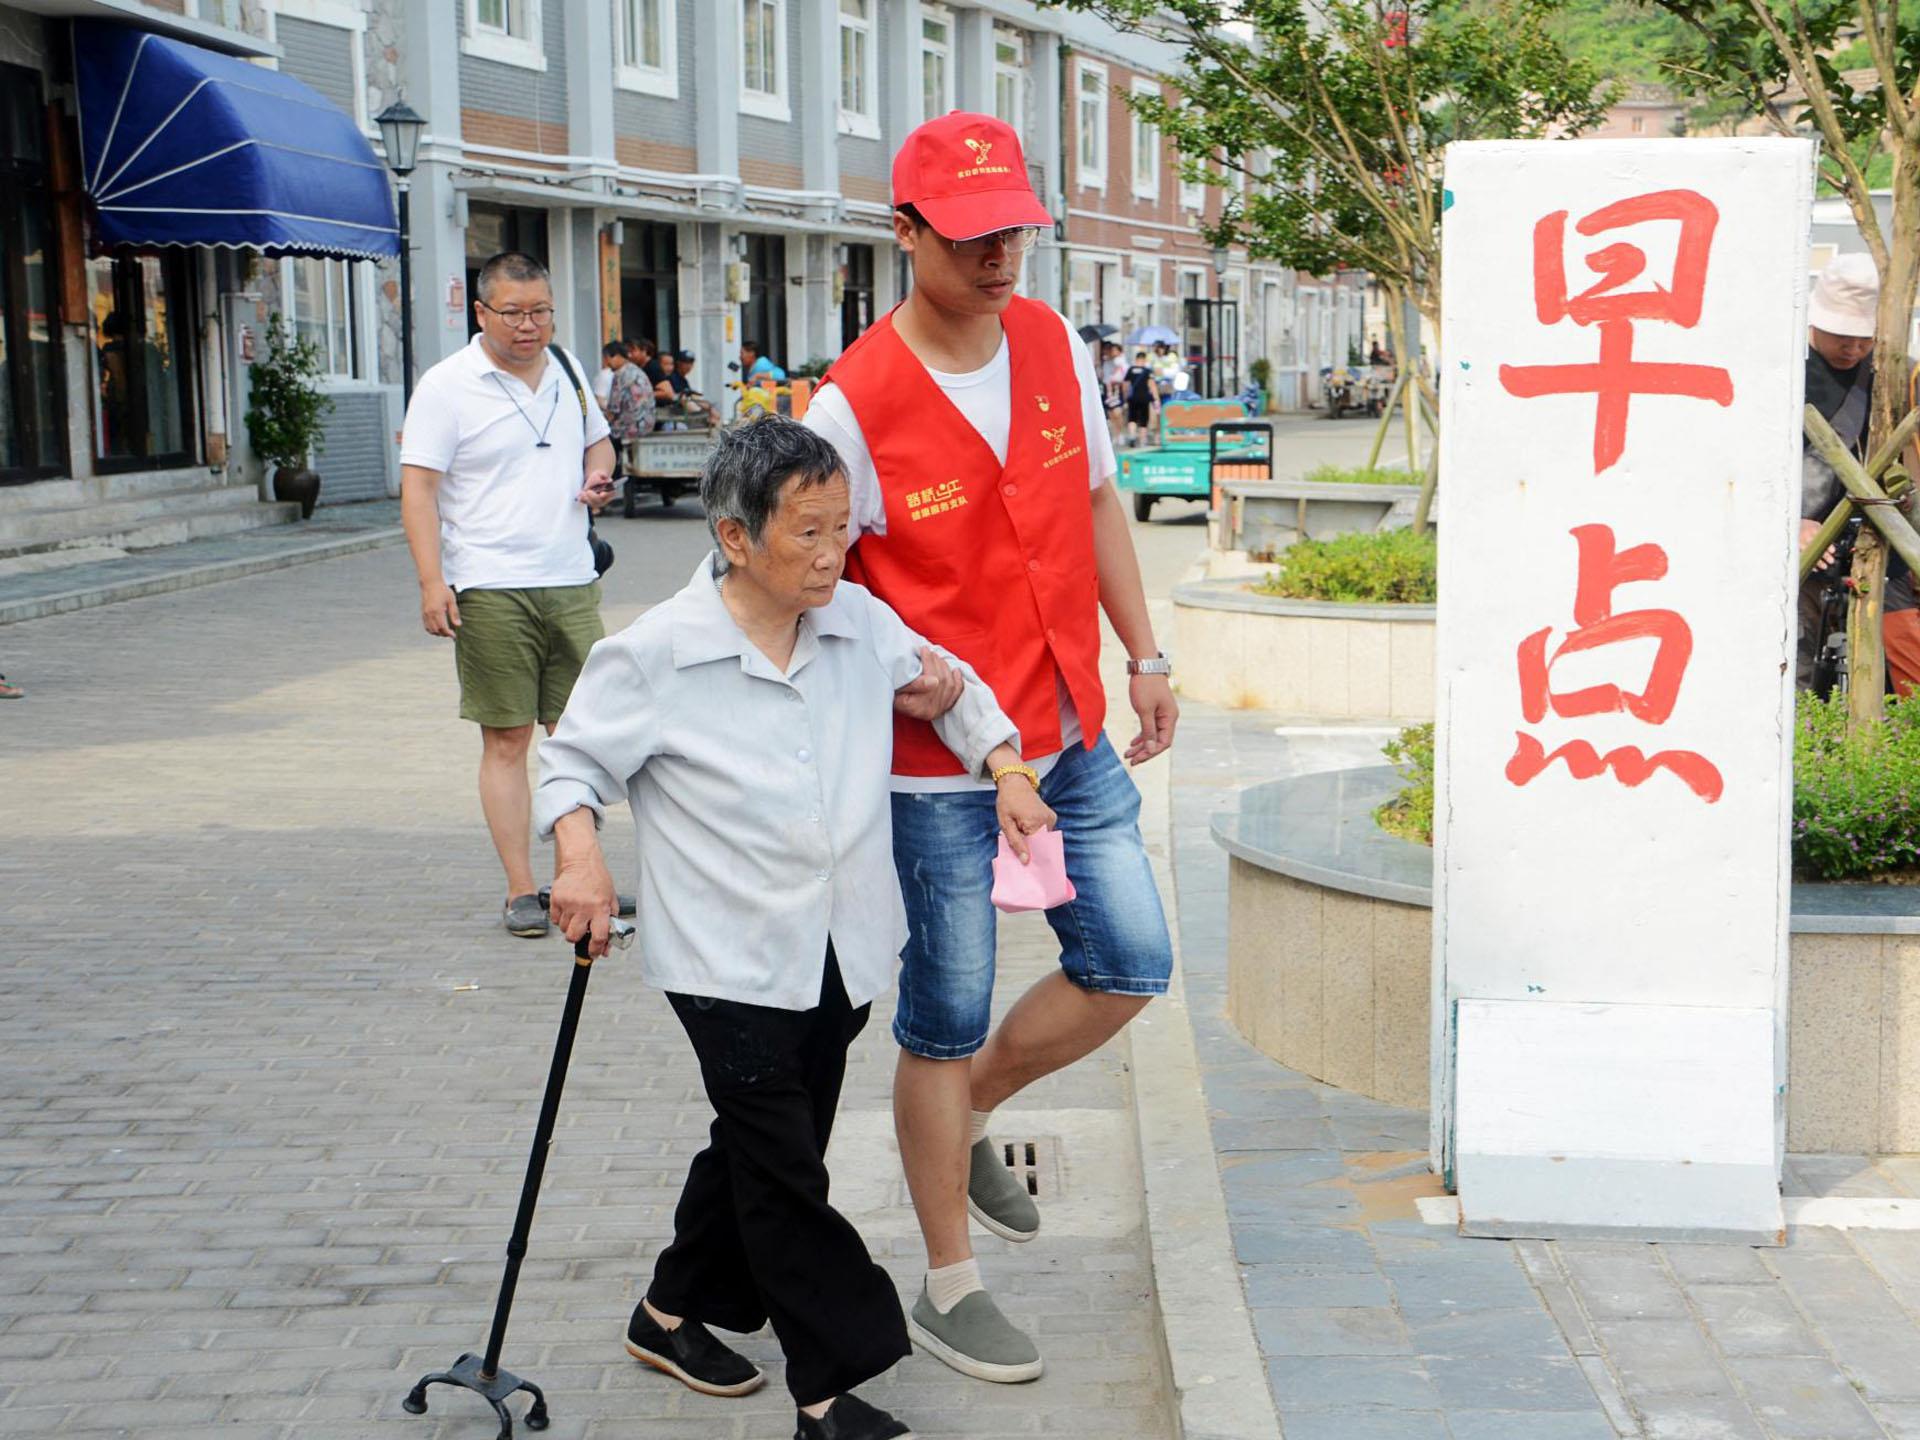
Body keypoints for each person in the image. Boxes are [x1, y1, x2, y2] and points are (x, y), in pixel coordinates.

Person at [538, 416, 1054, 1440]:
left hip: (839, 946)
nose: (831, 555)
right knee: (786, 1174)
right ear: (735, 537)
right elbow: (570, 766)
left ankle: (667, 1312)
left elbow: (954, 688)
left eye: (841, 530)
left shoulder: (856, 621)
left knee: (765, 1142)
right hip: (723, 959)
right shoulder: (656, 653)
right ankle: (827, 1386)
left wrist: (1006, 769)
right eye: (806, 533)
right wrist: (580, 859)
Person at [804, 111, 1178, 1383]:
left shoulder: (1053, 343)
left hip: (1068, 726)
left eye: (1013, 230)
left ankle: (967, 1116)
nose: (998, 257)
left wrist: (1145, 654)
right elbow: (809, 580)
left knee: (1130, 960)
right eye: (969, 236)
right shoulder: (852, 406)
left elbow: (1096, 501)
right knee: (945, 1015)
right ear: (904, 233)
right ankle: (949, 1283)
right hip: (939, 770)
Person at [398, 251, 619, 939]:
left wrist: (597, 477)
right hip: (490, 586)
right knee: (507, 738)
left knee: (579, 736)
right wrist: (432, 581)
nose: (530, 326)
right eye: (514, 313)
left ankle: (578, 875)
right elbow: (418, 489)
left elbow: (600, 445)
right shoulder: (446, 386)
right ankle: (523, 889)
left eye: (541, 312)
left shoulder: (569, 369)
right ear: (481, 312)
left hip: (571, 580)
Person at [1798, 253, 1920, 693]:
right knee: (1797, 677)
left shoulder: (1899, 375)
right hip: (1801, 555)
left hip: (1881, 542)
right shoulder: (1784, 372)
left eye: (1863, 339)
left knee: (1905, 672)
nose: (1852, 349)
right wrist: (1791, 520)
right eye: (1841, 337)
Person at [605, 338, 656, 447]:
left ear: (618, 356)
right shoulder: (637, 371)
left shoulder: (620, 375)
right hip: (647, 426)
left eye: (607, 358)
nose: (606, 363)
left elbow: (613, 409)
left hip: (628, 428)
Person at [1122, 349, 1158, 447]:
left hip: (1133, 398)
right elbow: (1152, 385)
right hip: (1144, 398)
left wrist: (1125, 397)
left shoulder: (1130, 370)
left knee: (1132, 418)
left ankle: (1132, 436)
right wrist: (1156, 399)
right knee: (1143, 419)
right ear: (1144, 360)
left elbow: (1125, 385)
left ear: (1136, 359)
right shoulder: (1147, 371)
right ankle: (1142, 441)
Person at [593, 341, 627, 415]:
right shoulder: (605, 375)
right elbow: (599, 400)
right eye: (605, 357)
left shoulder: (627, 373)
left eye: (606, 357)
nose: (606, 361)